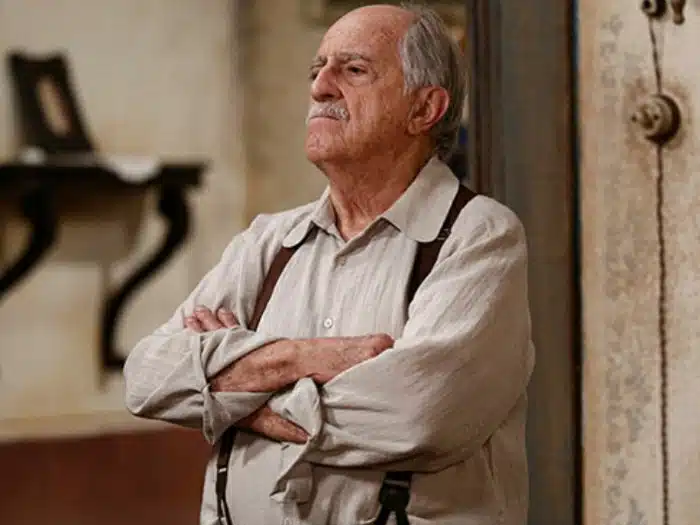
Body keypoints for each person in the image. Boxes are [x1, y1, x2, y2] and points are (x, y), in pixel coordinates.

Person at [124, 4, 534, 524]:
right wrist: (298, 358)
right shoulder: (268, 240)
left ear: (424, 108)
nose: (320, 88)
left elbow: (416, 414)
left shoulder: (479, 236)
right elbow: (147, 378)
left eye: (353, 69)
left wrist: (232, 396)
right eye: (317, 69)